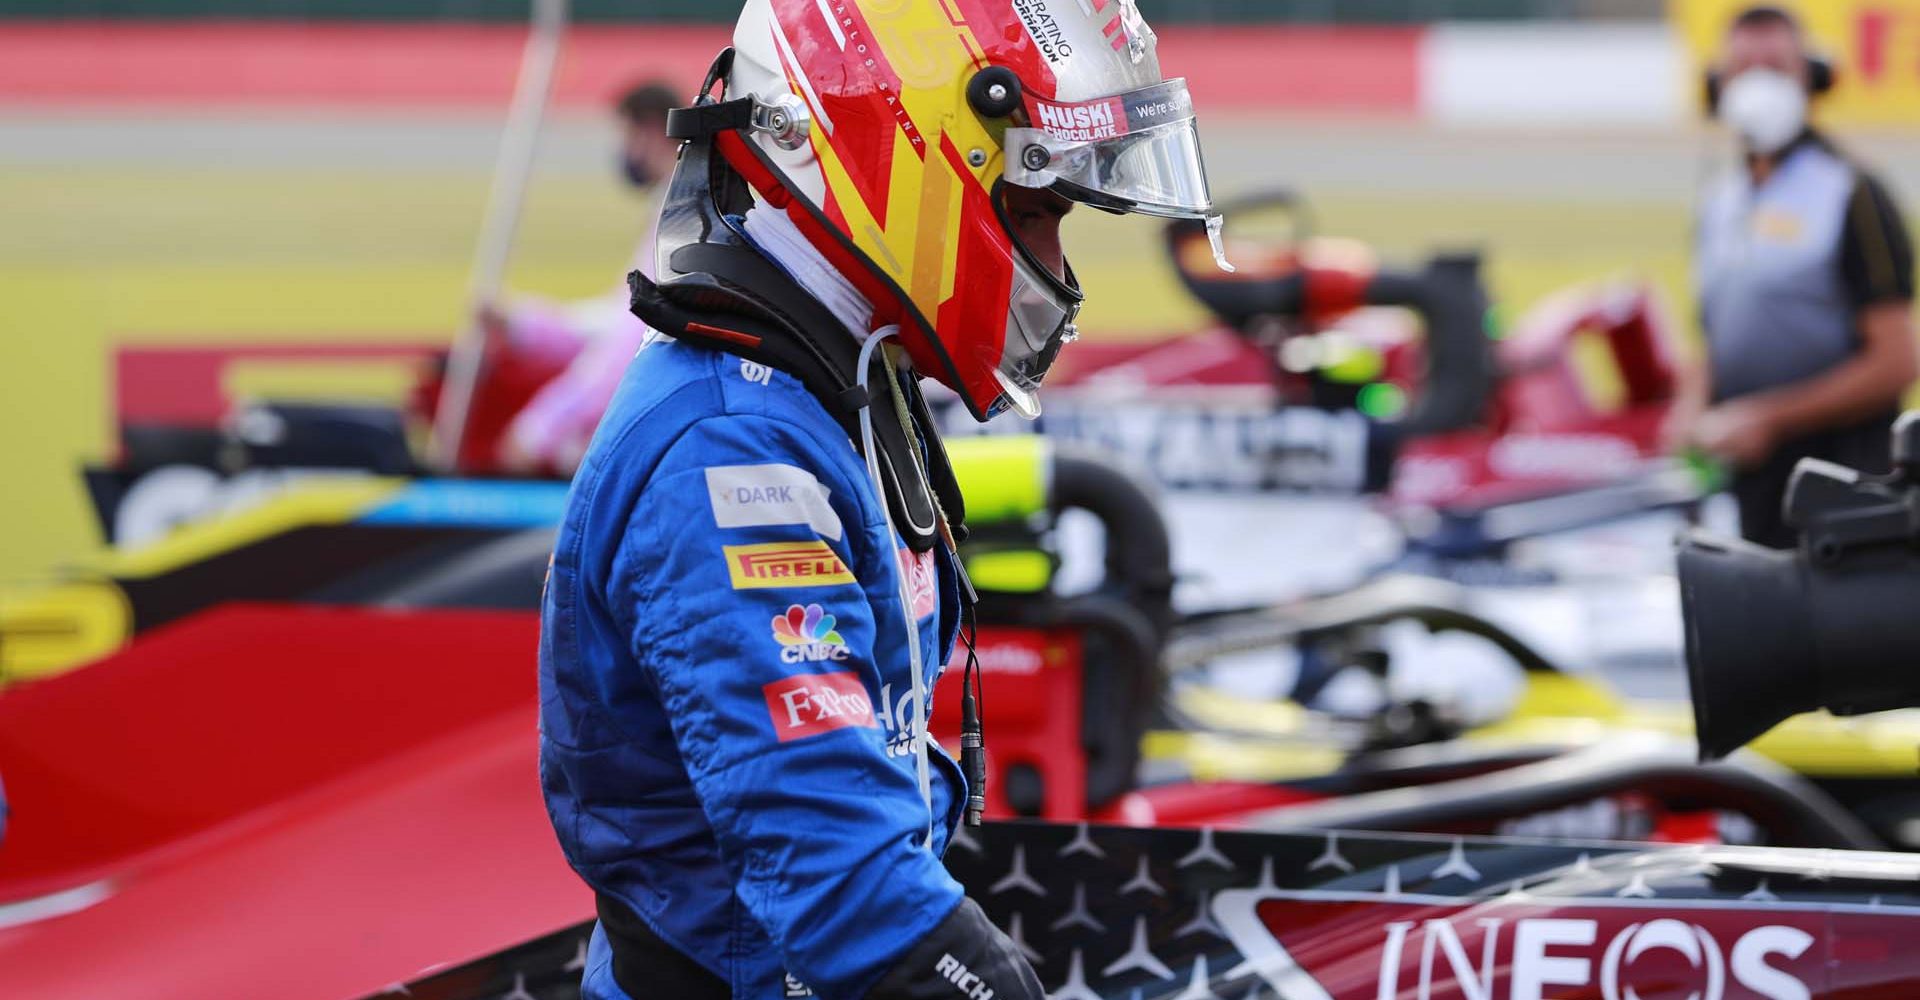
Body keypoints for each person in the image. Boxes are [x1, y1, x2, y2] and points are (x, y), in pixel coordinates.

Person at [537, 1, 1228, 998]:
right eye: (1035, 210)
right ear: (908, 161)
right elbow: (839, 884)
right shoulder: (732, 450)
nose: (1055, 267)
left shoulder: (832, 381)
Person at [1671, 4, 1918, 547]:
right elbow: (1713, 333)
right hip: (1748, 480)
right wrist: (1688, 410)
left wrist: (1769, 418)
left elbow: (1898, 358)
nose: (1760, 84)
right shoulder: (1719, 199)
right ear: (1718, 86)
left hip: (1842, 480)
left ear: (1813, 79)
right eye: (1744, 69)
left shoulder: (1852, 193)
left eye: (1777, 68)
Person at [482, 80, 682, 474]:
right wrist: (521, 323)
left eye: (625, 135)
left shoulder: (678, 216)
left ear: (649, 130)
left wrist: (539, 431)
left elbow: (629, 342)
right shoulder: (672, 206)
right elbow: (613, 322)